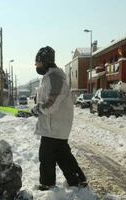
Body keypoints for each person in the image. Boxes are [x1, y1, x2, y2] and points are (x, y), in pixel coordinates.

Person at [30, 46, 87, 191]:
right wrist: (38, 109)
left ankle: (47, 185)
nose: (37, 66)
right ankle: (78, 180)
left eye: (39, 63)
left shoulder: (55, 77)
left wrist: (39, 109)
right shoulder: (50, 76)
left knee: (46, 157)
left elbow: (52, 103)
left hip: (54, 126)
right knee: (63, 156)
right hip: (54, 126)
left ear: (47, 62)